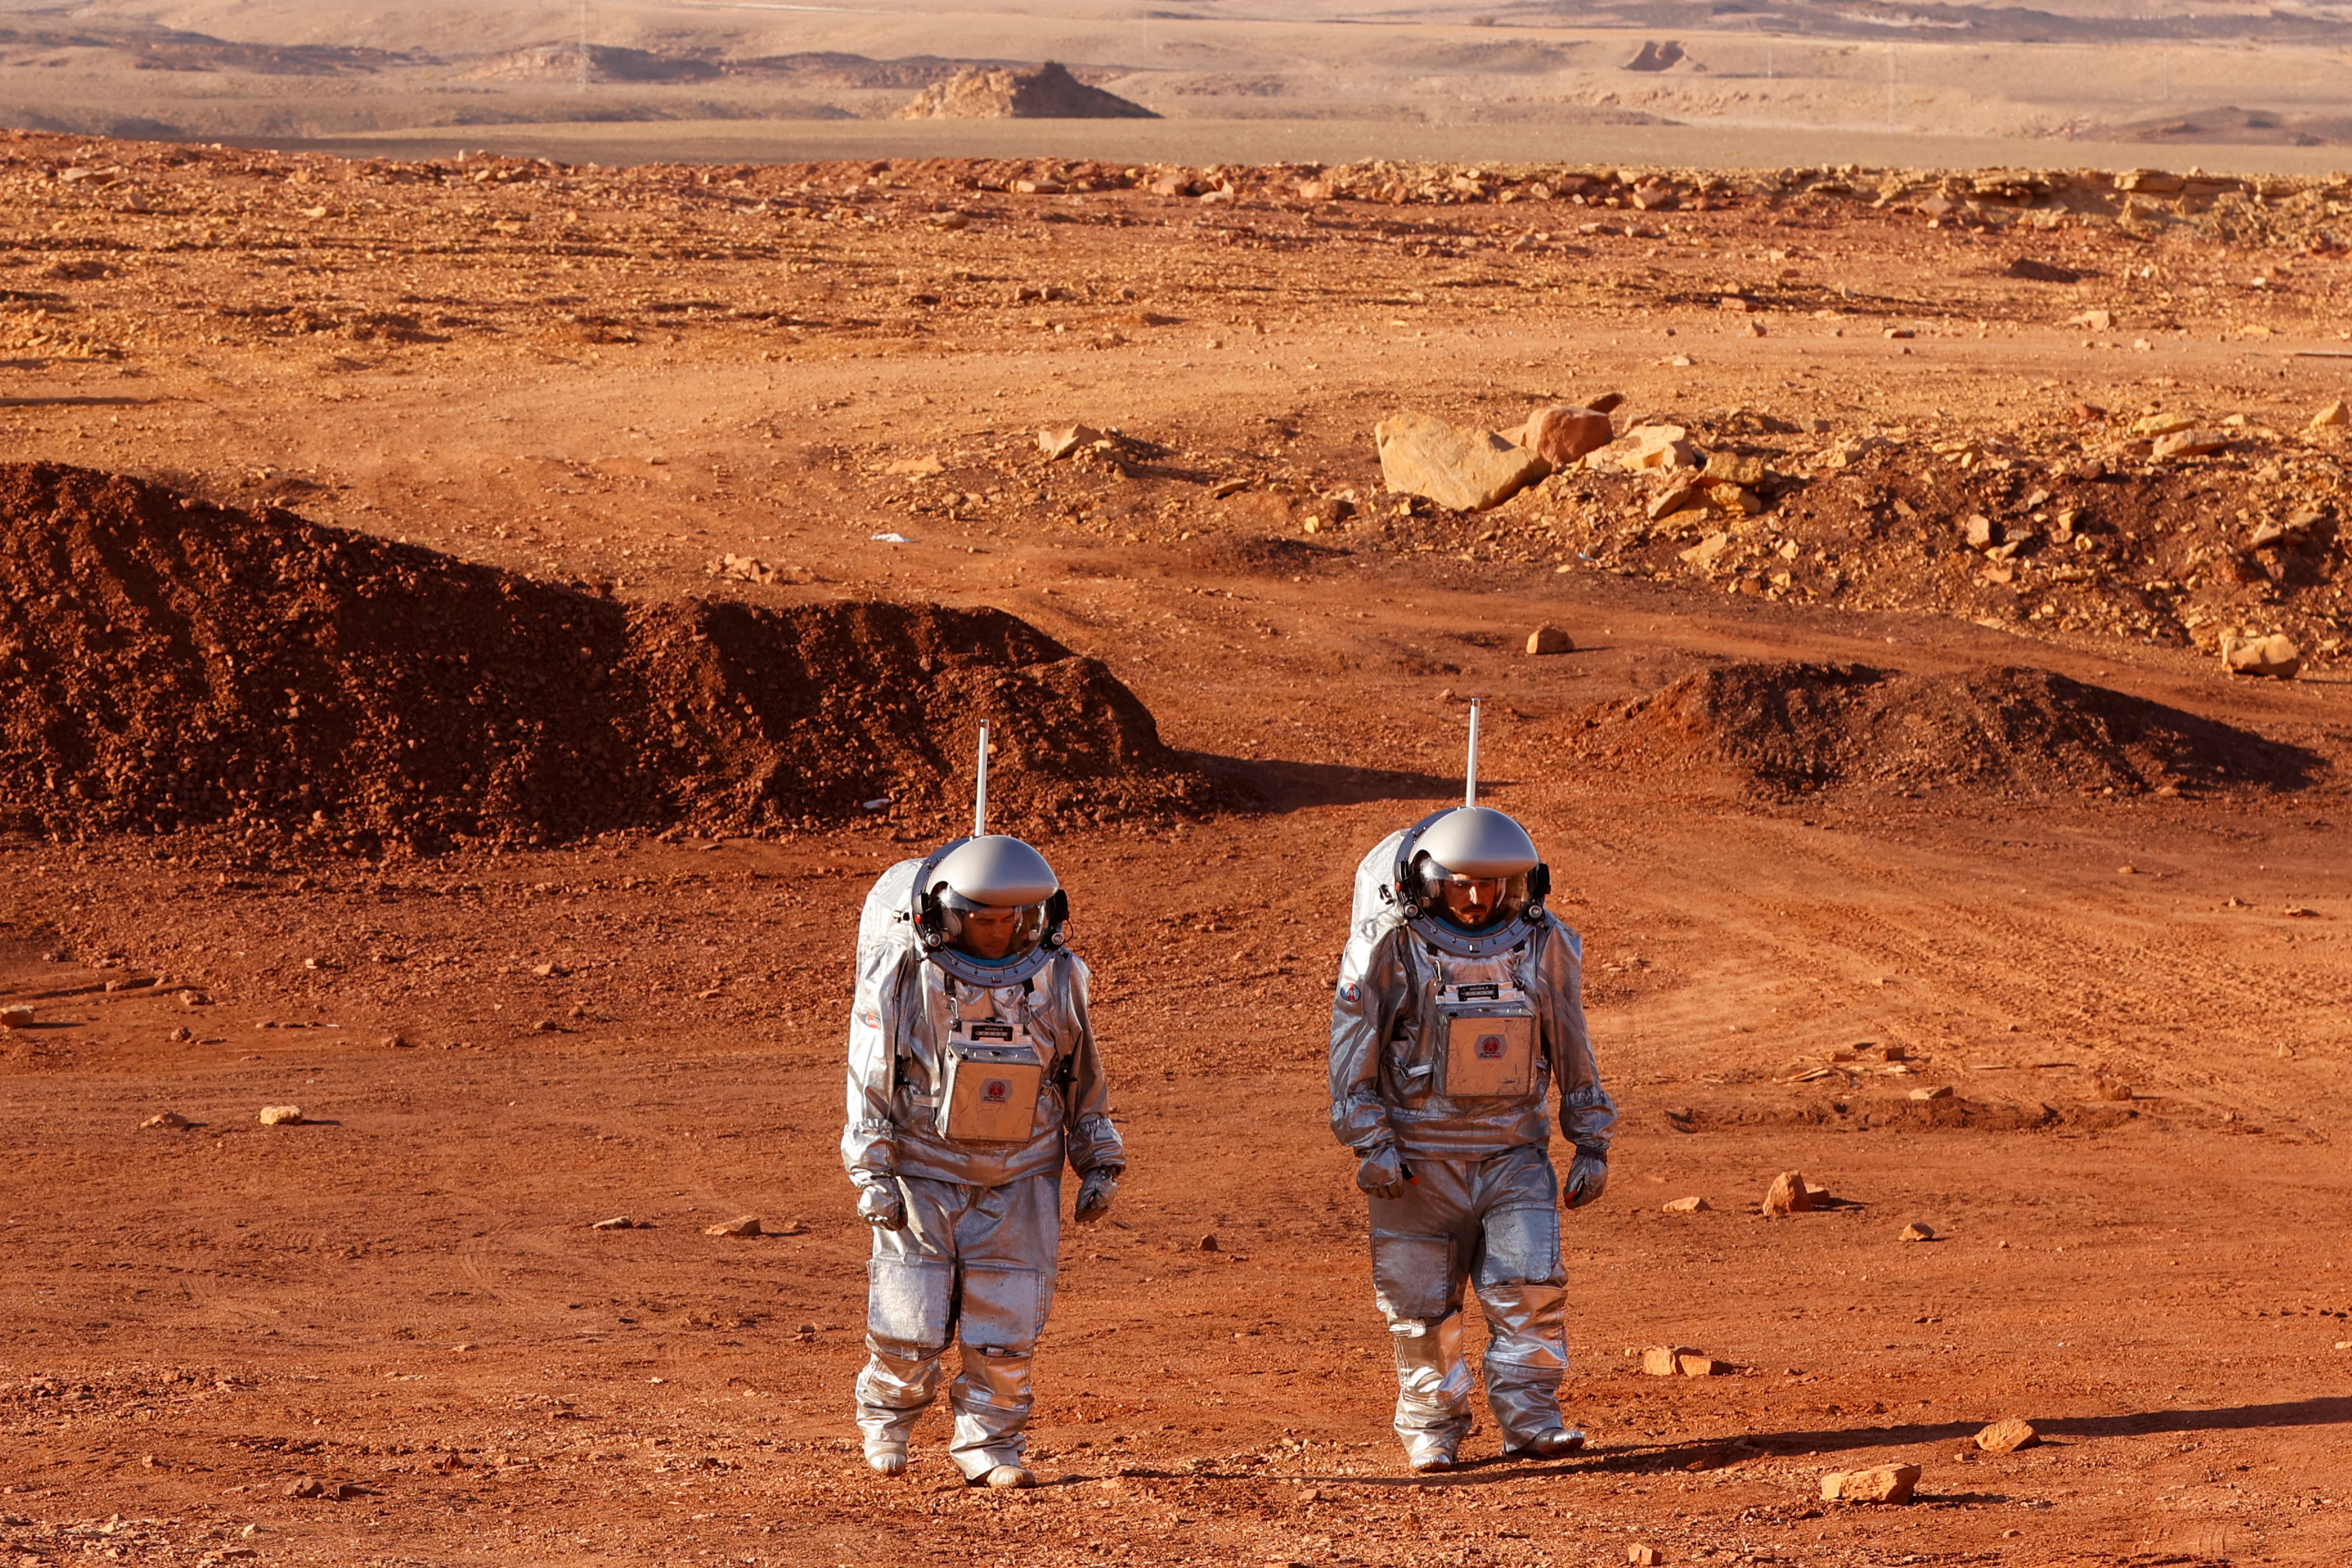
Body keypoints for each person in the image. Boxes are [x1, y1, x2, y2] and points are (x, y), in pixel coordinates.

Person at [1328, 702, 1616, 1473]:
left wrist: (1591, 1137)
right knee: (1421, 1311)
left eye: (1496, 886)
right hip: (1417, 1160)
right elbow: (1351, 1058)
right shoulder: (1389, 948)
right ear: (1426, 882)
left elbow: (1572, 1040)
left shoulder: (1544, 943)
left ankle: (1531, 1420)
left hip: (1513, 1151)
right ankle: (1433, 1430)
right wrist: (1371, 1143)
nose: (1481, 902)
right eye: (1462, 887)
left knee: (1529, 1289)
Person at [840, 799, 1123, 1488]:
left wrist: (1099, 1158)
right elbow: (869, 1075)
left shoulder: (1057, 977)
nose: (999, 935)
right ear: (943, 914)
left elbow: (1083, 1073)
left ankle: (990, 1447)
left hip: (1023, 1173)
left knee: (1007, 1321)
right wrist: (871, 1171)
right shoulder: (905, 976)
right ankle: (888, 1420)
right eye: (983, 920)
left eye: (1012, 920)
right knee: (911, 1320)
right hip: (922, 1170)